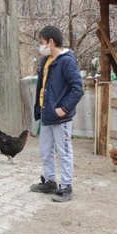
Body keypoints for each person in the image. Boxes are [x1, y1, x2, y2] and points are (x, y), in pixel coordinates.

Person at [30, 25, 83, 203]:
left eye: (42, 42)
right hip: (46, 115)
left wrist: (64, 108)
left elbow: (78, 88)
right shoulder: (47, 61)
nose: (41, 46)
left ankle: (66, 186)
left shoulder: (66, 61)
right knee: (46, 151)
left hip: (61, 117)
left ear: (51, 42)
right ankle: (50, 181)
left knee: (64, 151)